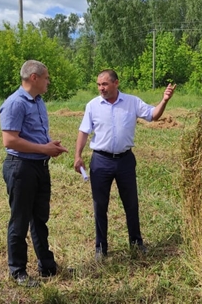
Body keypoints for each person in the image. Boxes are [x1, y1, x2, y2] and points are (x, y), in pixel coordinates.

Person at [74, 69, 176, 261]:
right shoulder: (93, 106)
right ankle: (101, 248)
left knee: (131, 204)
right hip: (101, 161)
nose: (101, 88)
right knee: (100, 205)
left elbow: (153, 115)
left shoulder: (132, 102)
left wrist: (164, 100)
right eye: (98, 84)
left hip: (125, 161)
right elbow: (84, 131)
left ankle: (136, 243)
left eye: (104, 84)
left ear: (116, 83)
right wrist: (77, 155)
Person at [0, 60, 68, 287]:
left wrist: (49, 145)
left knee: (40, 219)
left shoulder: (38, 102)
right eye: (46, 77)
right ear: (34, 78)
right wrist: (43, 149)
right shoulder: (15, 103)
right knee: (19, 221)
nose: (49, 81)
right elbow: (9, 140)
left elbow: (32, 136)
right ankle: (17, 270)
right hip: (21, 167)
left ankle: (46, 266)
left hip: (39, 166)